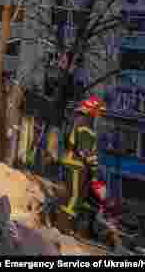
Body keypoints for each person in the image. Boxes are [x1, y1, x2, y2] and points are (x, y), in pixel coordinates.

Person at [57, 95, 104, 230]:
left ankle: (65, 223)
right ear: (93, 112)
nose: (99, 116)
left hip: (76, 164)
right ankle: (63, 224)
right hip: (77, 165)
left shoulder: (81, 125)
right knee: (75, 197)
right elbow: (86, 152)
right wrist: (95, 173)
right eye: (98, 112)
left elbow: (89, 153)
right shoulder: (86, 129)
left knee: (77, 196)